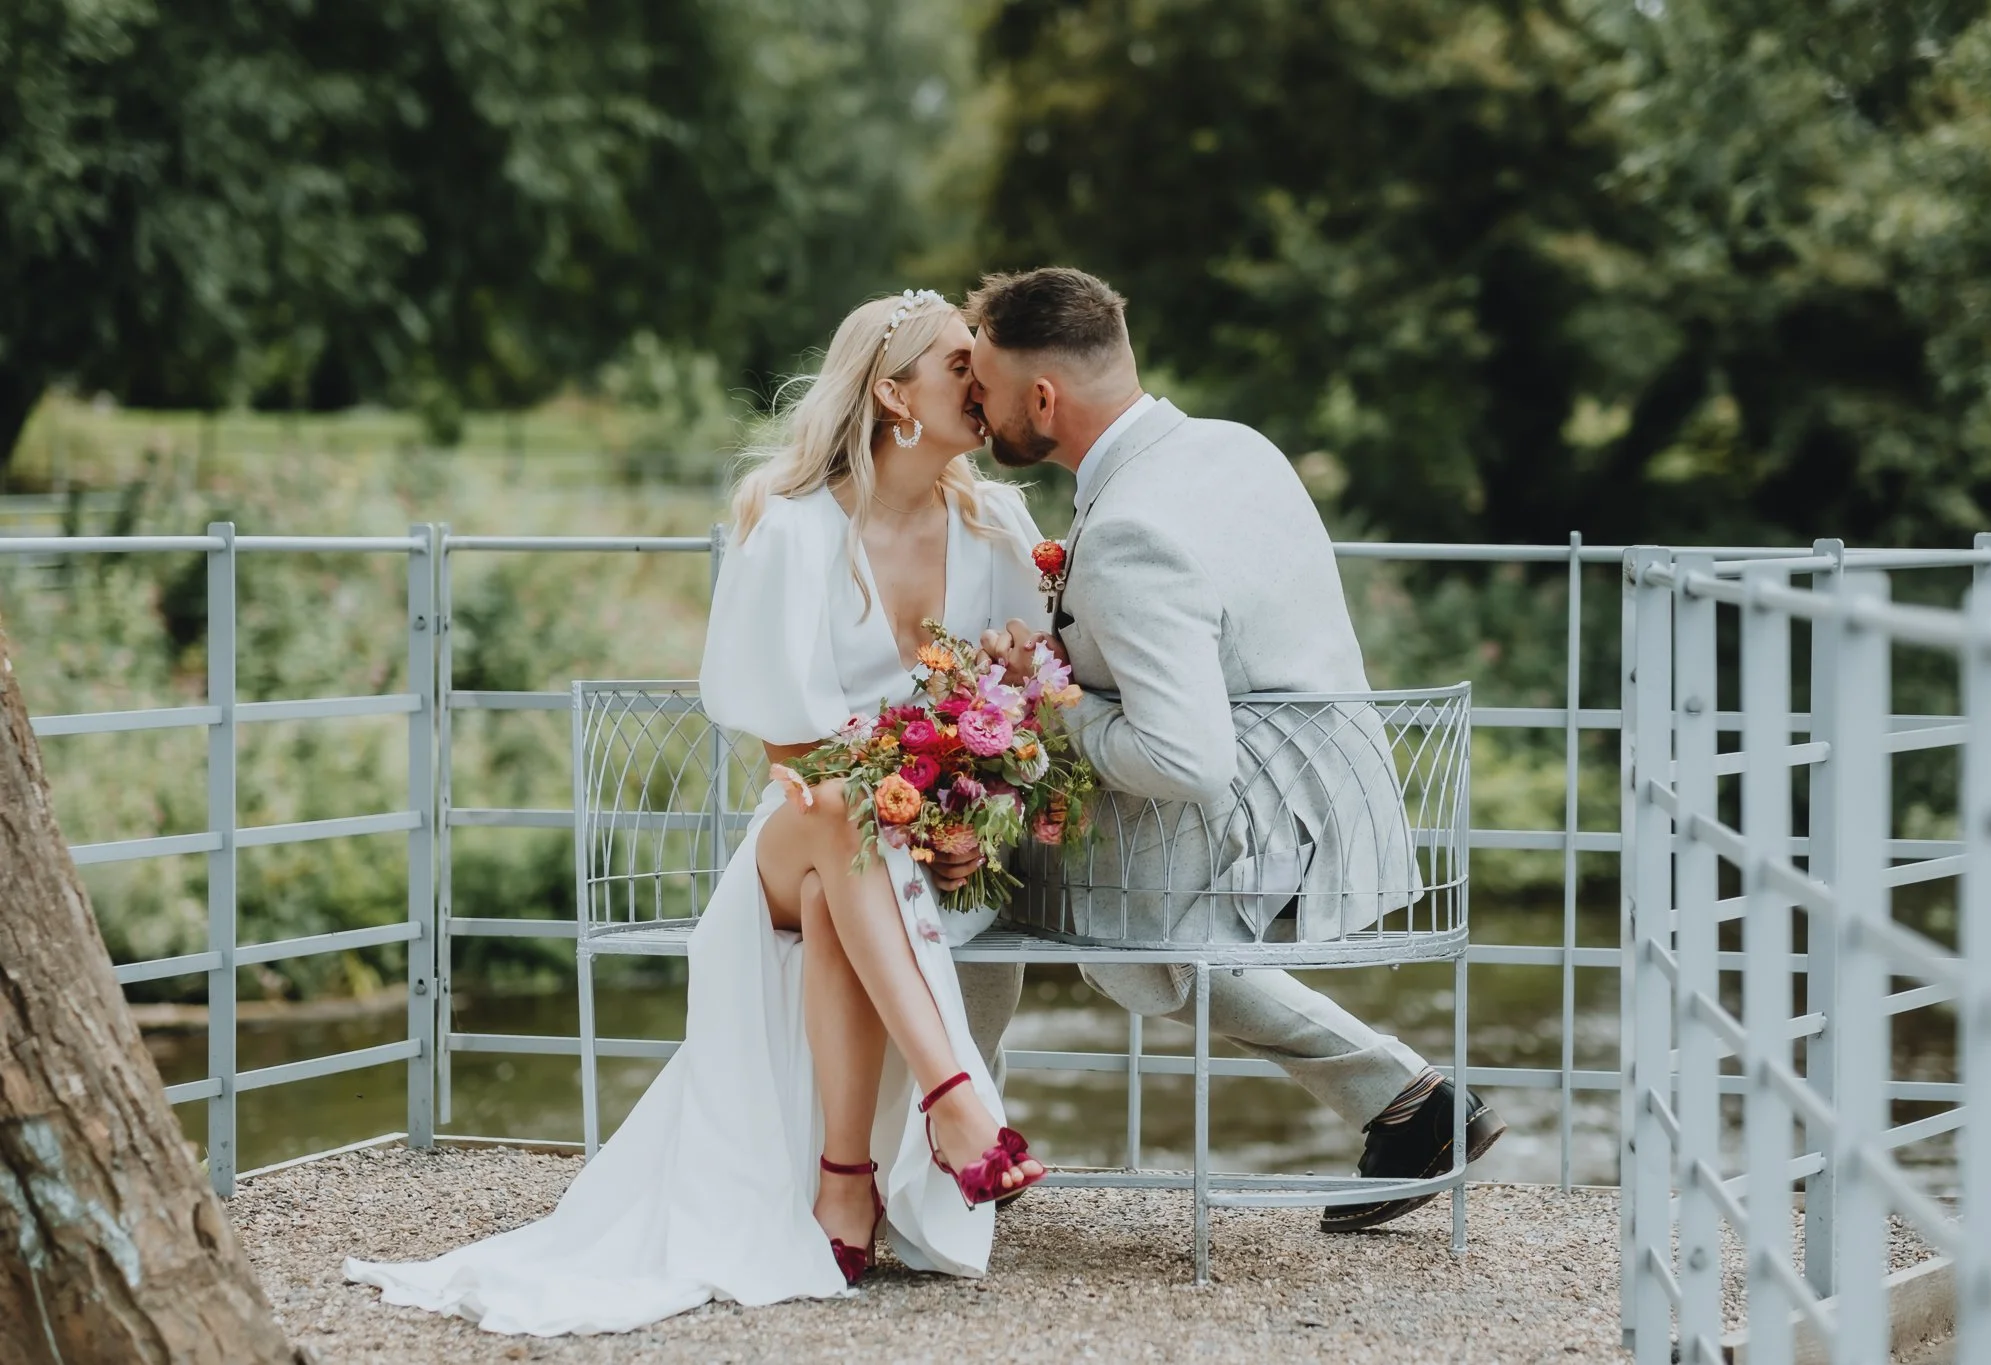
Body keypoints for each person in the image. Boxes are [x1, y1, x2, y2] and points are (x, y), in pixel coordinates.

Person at [343, 290, 1048, 1335]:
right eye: (958, 365)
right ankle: (955, 1098)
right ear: (894, 393)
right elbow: (784, 750)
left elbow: (1023, 715)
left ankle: (843, 1182)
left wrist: (966, 821)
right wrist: (888, 791)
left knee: (835, 891)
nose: (981, 382)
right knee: (837, 816)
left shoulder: (997, 529)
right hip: (802, 822)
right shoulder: (799, 526)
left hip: (921, 859)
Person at [948, 266, 1506, 1232]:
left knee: (962, 851)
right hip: (1338, 779)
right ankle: (1409, 1100)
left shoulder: (1128, 529)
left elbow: (1187, 759)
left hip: (1248, 810)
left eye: (986, 391)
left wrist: (1046, 699)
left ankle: (952, 1150)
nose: (977, 410)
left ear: (1043, 397)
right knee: (997, 850)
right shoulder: (1226, 445)